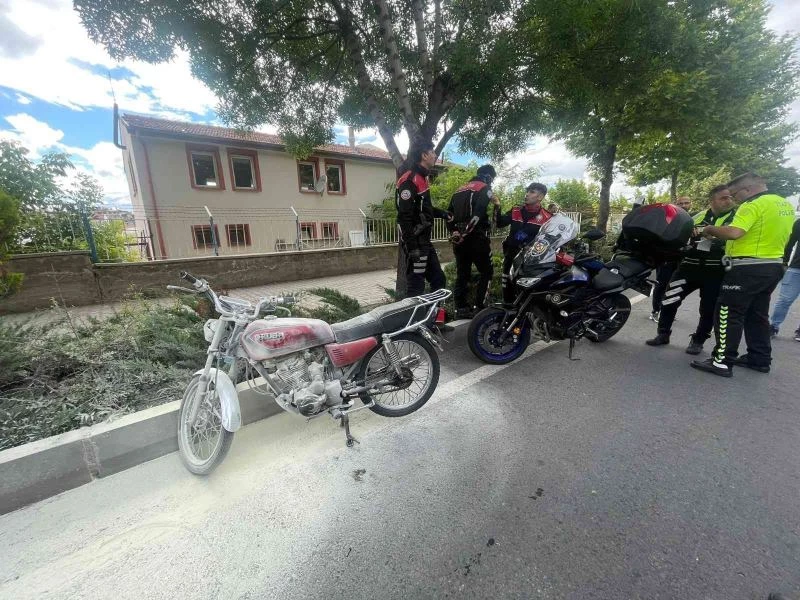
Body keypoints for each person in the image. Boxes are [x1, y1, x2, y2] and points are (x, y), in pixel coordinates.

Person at [691, 173, 795, 377]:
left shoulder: (752, 204)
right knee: (757, 314)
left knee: (728, 313)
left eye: (735, 194)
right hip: (772, 266)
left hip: (746, 268)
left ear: (747, 190)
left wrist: (710, 229)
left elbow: (735, 232)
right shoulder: (783, 204)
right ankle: (759, 358)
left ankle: (722, 361)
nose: (734, 199)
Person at [645, 185, 736, 353]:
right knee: (669, 299)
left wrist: (713, 237)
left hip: (716, 271)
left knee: (708, 309)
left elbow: (735, 238)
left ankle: (698, 340)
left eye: (730, 197)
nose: (728, 201)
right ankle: (663, 334)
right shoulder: (696, 216)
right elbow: (679, 236)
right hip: (688, 267)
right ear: (712, 201)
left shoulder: (738, 218)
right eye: (723, 198)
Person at [395, 142, 451, 299]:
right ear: (424, 155)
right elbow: (403, 217)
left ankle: (431, 318)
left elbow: (423, 210)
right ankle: (411, 322)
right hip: (417, 243)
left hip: (424, 241)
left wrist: (443, 213)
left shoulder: (422, 178)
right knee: (416, 286)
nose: (435, 155)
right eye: (432, 152)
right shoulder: (410, 180)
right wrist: (412, 248)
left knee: (438, 279)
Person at [446, 164, 496, 319]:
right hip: (475, 238)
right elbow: (477, 215)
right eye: (492, 179)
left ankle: (460, 309)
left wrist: (455, 232)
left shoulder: (459, 190)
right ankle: (480, 307)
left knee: (463, 274)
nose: (492, 183)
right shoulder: (485, 188)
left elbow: (449, 215)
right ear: (488, 177)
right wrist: (466, 233)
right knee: (487, 271)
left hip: (458, 240)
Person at [496, 182, 553, 304]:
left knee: (524, 292)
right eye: (527, 191)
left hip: (530, 261)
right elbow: (499, 223)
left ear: (540, 197)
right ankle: (506, 316)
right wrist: (497, 206)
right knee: (507, 289)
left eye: (532, 192)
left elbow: (550, 241)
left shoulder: (547, 217)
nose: (527, 194)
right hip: (511, 255)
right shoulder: (516, 210)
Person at [650, 195, 693, 321]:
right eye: (681, 203)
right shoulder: (669, 218)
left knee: (675, 287)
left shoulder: (694, 219)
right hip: (667, 257)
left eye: (687, 203)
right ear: (676, 204)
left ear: (691, 204)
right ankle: (656, 311)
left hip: (683, 259)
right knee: (661, 285)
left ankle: (667, 312)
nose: (684, 205)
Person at [769, 216, 800, 341]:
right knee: (785, 300)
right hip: (797, 267)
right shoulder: (799, 222)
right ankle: (773, 326)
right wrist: (784, 262)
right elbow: (790, 242)